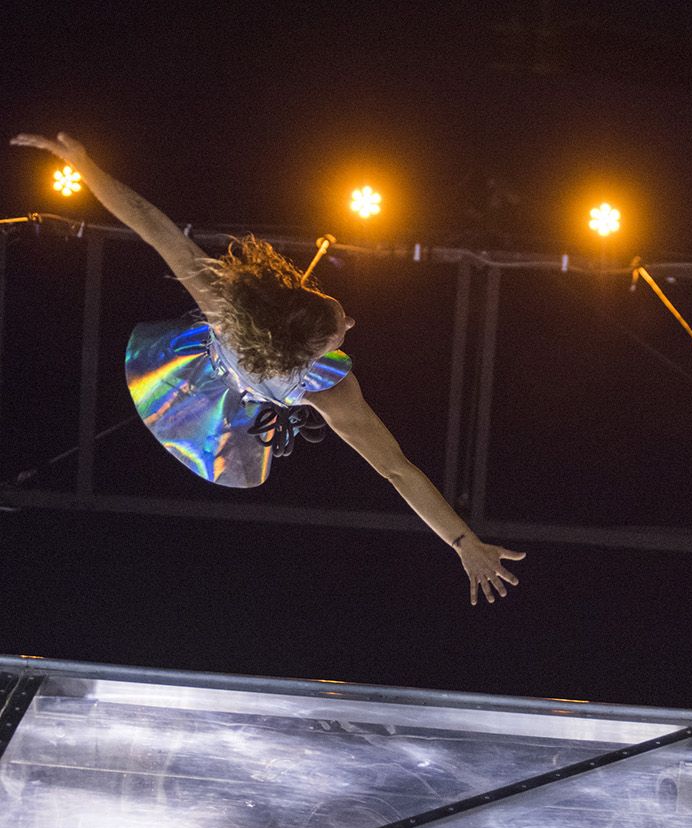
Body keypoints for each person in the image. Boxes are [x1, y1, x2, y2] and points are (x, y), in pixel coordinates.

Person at [11, 132, 523, 605]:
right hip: (213, 376)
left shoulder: (230, 310)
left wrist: (464, 542)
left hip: (232, 371)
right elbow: (396, 469)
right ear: (306, 354)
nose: (351, 322)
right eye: (340, 331)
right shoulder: (326, 385)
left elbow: (153, 225)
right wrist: (462, 542)